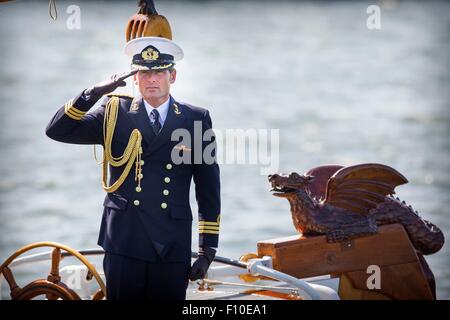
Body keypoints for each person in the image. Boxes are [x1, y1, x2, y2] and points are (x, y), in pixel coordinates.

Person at [45, 36, 221, 300]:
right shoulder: (114, 112)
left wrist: (207, 251)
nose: (152, 79)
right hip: (124, 243)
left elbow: (208, 189)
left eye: (159, 72)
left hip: (172, 245)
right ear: (134, 78)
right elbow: (57, 129)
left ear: (172, 76)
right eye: (144, 72)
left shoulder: (195, 118)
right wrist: (93, 93)